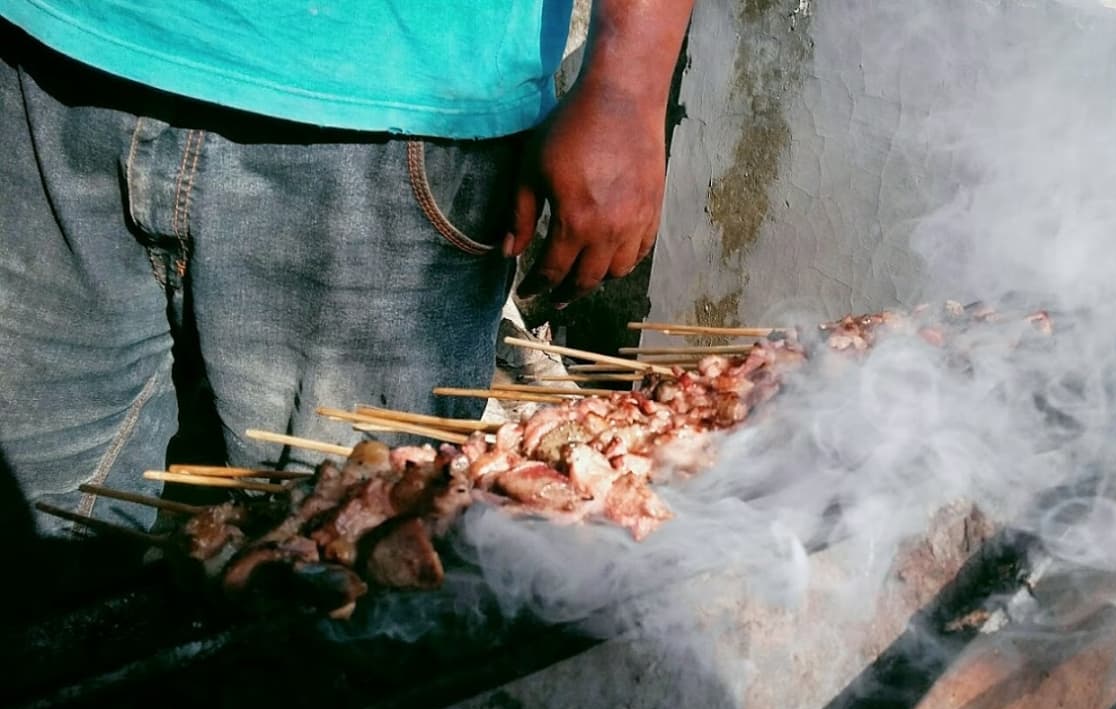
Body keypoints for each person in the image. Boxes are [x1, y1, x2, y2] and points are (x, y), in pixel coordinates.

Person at [0, 1, 695, 536]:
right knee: (35, 529)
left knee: (337, 557)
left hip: (393, 120)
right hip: (46, 58)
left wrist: (628, 83)